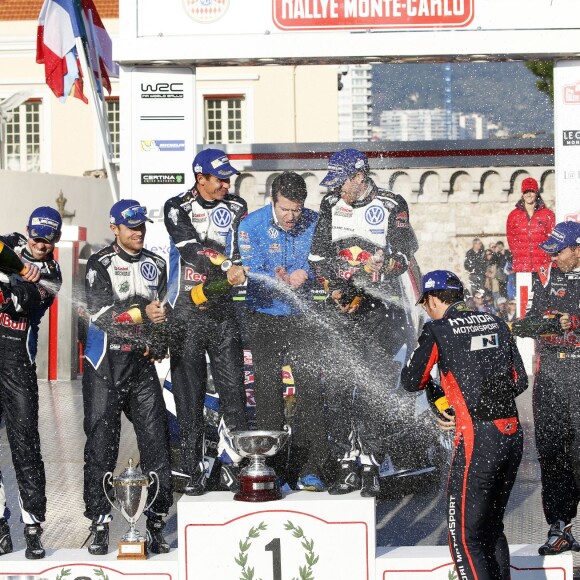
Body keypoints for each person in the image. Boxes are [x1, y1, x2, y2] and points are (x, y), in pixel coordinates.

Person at [401, 270, 527, 580]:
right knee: (490, 527)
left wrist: (460, 406)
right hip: (511, 434)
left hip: (477, 440)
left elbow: (411, 381)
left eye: (424, 303)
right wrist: (475, 403)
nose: (424, 309)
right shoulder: (495, 321)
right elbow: (519, 380)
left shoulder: (437, 329)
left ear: (433, 299)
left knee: (464, 538)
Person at [308, 148, 417, 497]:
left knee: (374, 387)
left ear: (360, 176)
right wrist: (336, 292)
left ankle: (371, 464)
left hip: (379, 310)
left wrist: (381, 267)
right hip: (339, 306)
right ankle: (345, 463)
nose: (338, 188)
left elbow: (402, 257)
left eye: (342, 181)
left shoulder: (391, 203)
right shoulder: (329, 204)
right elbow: (318, 257)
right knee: (338, 386)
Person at [82, 199, 173, 556]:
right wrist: (141, 314)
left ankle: (155, 520)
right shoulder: (99, 263)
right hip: (104, 366)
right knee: (101, 448)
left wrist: (161, 340)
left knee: (156, 443)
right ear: (114, 228)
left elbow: (165, 316)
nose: (138, 231)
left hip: (140, 367)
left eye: (141, 225)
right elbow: (102, 314)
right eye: (130, 226)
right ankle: (100, 522)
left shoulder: (157, 264)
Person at [164, 148, 248, 495]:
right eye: (220, 179)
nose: (226, 185)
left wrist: (239, 267)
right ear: (201, 179)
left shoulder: (238, 207)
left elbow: (244, 251)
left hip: (223, 313)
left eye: (229, 179)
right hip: (186, 312)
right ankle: (192, 465)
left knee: (234, 392)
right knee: (189, 395)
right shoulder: (176, 206)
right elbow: (194, 253)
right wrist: (228, 267)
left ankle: (238, 463)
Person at [238, 172, 328, 491]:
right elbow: (249, 268)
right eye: (285, 209)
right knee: (267, 390)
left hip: (303, 315)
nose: (291, 217)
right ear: (273, 201)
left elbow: (325, 260)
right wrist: (270, 276)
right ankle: (271, 467)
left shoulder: (315, 222)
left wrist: (308, 271)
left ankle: (310, 467)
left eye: (297, 209)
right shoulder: (251, 225)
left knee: (310, 390)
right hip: (265, 314)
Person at [0, 207, 62, 559]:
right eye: (37, 237)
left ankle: (33, 527)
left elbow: (22, 300)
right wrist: (19, 269)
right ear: (27, 232)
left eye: (48, 239)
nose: (41, 244)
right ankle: (0, 529)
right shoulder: (12, 243)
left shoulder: (52, 274)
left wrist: (10, 280)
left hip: (18, 365)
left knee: (25, 448)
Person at [516, 221, 580, 555]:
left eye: (560, 251)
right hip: (552, 371)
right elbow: (525, 324)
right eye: (551, 251)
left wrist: (575, 323)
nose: (553, 256)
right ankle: (559, 528)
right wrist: (550, 324)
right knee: (553, 451)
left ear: (578, 248)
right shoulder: (544, 275)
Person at [506, 177, 555, 274]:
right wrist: (518, 255)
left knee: (542, 289)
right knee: (524, 289)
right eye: (526, 191)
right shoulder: (514, 215)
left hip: (543, 266)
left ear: (536, 193)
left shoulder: (547, 214)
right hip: (522, 266)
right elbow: (511, 239)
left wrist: (546, 256)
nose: (529, 194)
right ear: (522, 194)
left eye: (531, 191)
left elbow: (552, 238)